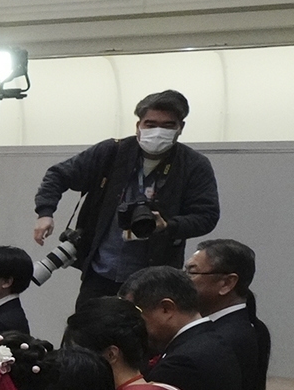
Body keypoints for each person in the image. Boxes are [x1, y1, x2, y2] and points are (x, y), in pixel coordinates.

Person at [32, 90, 222, 304]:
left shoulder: (193, 165)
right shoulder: (112, 152)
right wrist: (45, 213)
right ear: (138, 125)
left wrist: (168, 226)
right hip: (100, 273)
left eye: (168, 126)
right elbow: (58, 175)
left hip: (155, 281)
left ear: (181, 128)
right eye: (150, 124)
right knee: (88, 333)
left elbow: (207, 216)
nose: (158, 132)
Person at [184, 235, 272, 390]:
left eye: (192, 273)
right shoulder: (230, 328)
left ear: (227, 283)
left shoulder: (227, 338)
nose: (183, 280)